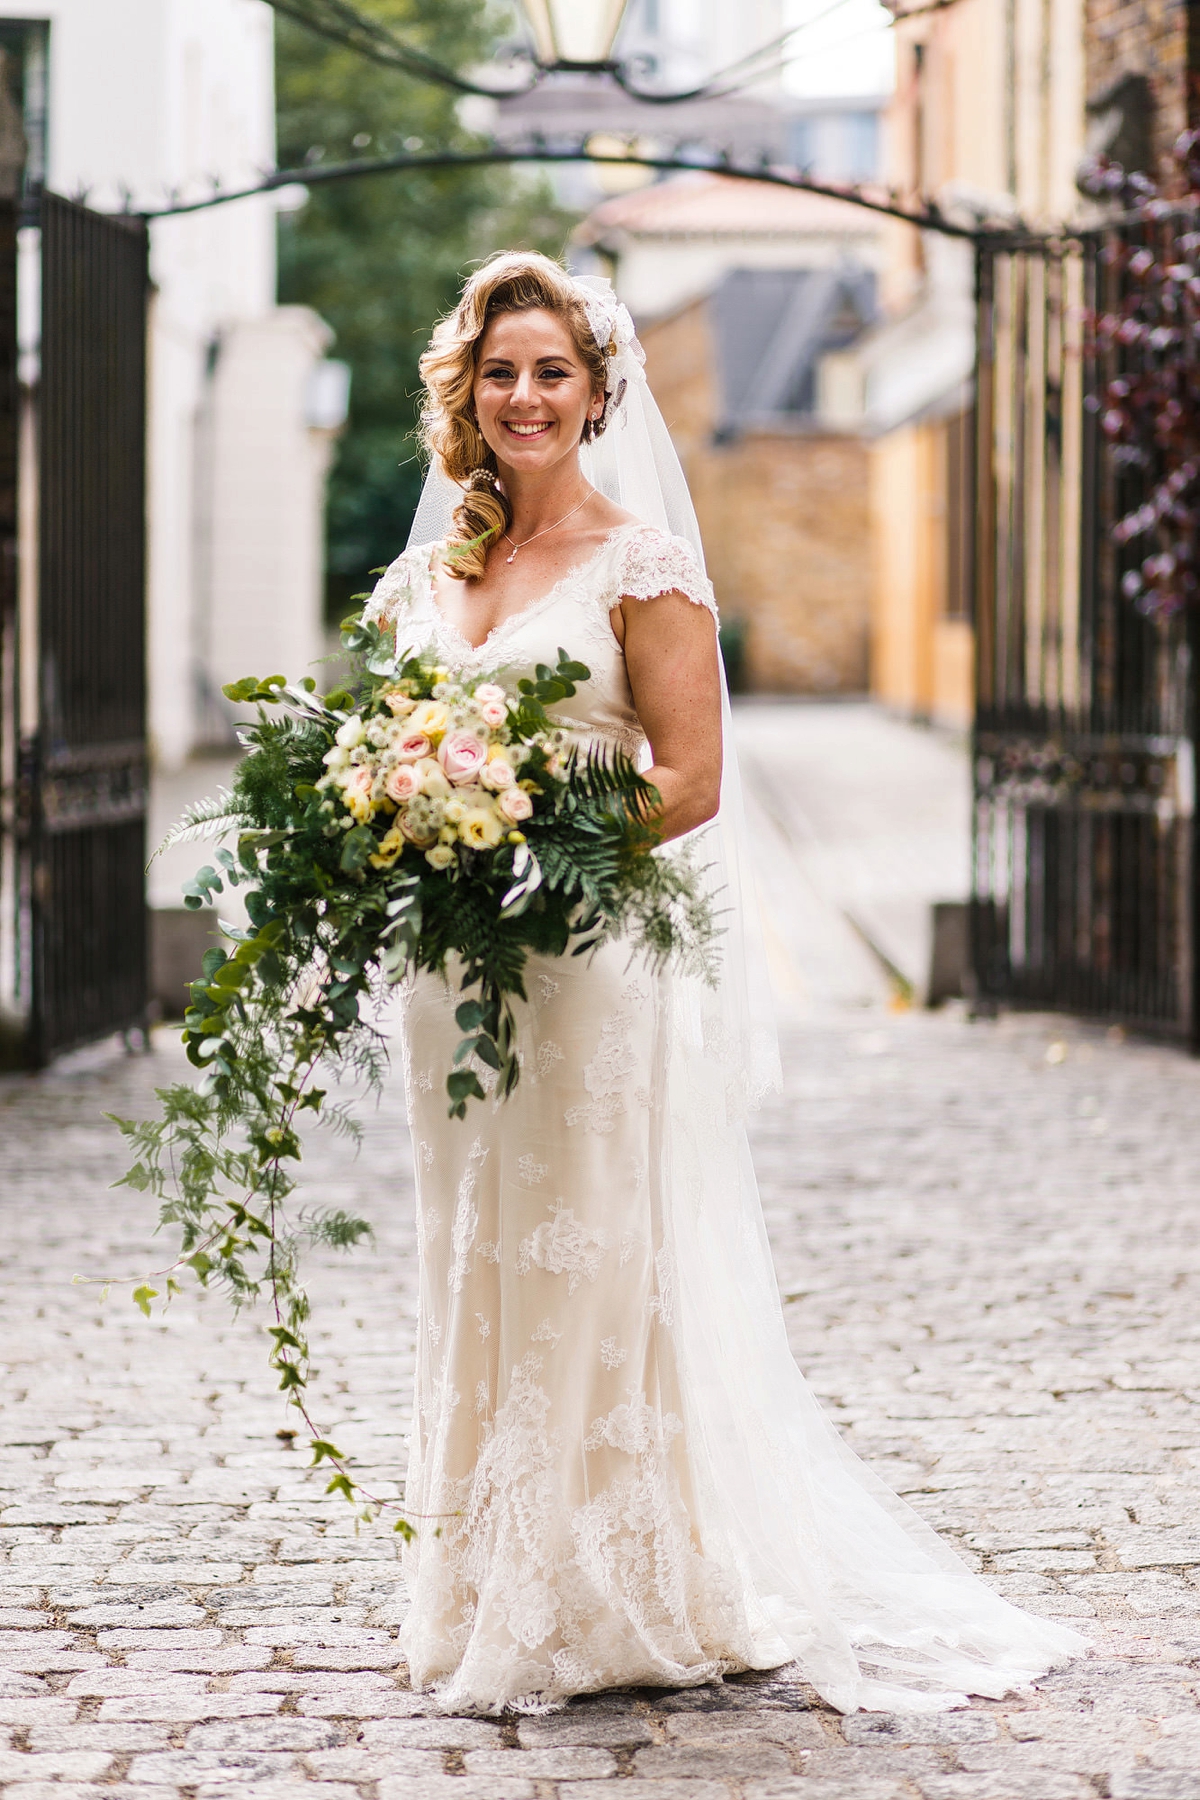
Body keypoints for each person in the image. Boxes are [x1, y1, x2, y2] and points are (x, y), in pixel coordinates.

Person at [364, 251, 1086, 1716]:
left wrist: (525, 836)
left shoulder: (647, 565)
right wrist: (404, 815)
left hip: (583, 965)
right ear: (467, 387)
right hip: (454, 975)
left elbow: (687, 781)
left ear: (596, 391)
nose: (523, 396)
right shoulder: (431, 573)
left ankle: (605, 1594)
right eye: (500, 371)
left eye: (551, 372)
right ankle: (483, 1574)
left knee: (588, 1255)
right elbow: (381, 744)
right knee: (474, 1255)